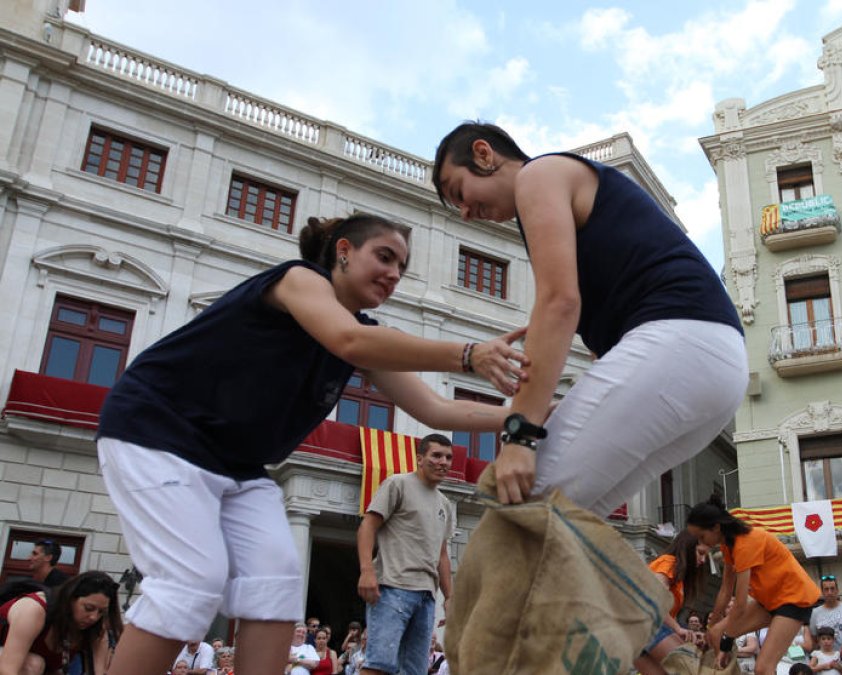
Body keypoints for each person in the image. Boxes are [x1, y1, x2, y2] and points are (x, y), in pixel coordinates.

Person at [95, 212, 528, 675]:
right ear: (343, 251)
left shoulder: (366, 336)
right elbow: (349, 340)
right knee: (189, 580)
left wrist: (528, 420)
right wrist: (469, 355)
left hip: (238, 465)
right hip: (158, 431)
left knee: (278, 585)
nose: (394, 274)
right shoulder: (298, 281)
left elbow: (436, 411)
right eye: (384, 257)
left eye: (401, 266)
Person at [433, 123, 747, 520]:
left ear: (483, 154)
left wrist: (520, 434)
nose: (463, 211)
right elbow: (598, 338)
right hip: (717, 368)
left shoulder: (538, 175)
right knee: (567, 525)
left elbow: (558, 303)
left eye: (458, 191)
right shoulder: (563, 202)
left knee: (524, 507)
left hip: (681, 340)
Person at [357, 434, 457, 675]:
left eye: (448, 457)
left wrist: (450, 597)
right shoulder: (397, 483)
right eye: (436, 455)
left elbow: (442, 554)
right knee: (379, 665)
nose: (443, 461)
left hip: (426, 596)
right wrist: (366, 571)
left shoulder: (445, 504)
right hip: (392, 587)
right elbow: (367, 526)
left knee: (414, 670)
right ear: (420, 458)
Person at [686, 496, 820, 675]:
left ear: (716, 527)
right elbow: (725, 590)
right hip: (769, 600)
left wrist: (727, 642)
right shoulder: (728, 545)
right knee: (715, 633)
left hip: (794, 599)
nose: (701, 543)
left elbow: (740, 604)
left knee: (763, 669)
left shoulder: (745, 543)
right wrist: (711, 627)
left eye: (702, 537)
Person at [0, 571, 123, 675]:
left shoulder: (97, 630)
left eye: (101, 612)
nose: (94, 617)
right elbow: (7, 669)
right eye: (88, 608)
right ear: (70, 598)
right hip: (8, 663)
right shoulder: (34, 610)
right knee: (33, 665)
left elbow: (98, 671)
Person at [635, 532, 710, 673]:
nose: (704, 560)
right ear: (687, 548)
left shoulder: (675, 572)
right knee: (691, 670)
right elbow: (657, 600)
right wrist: (678, 629)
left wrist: (685, 633)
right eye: (700, 553)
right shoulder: (669, 562)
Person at [807, 576, 842, 664]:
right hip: (827, 659)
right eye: (826, 589)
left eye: (832, 589)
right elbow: (814, 637)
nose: (830, 592)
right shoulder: (815, 613)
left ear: (837, 590)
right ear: (822, 592)